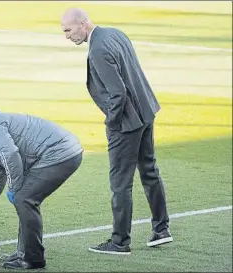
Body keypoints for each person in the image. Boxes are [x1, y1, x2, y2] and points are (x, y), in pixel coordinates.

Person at [60, 7, 173, 255]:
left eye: (68, 30)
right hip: (146, 111)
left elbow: (117, 92)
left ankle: (120, 241)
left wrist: (111, 122)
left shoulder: (98, 49)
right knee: (150, 171)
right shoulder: (115, 33)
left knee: (120, 183)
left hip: (126, 122)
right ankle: (161, 229)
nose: (67, 36)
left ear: (82, 24)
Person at [0, 106, 84, 270]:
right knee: (23, 198)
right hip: (56, 152)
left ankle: (33, 258)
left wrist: (14, 188)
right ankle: (24, 252)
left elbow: (10, 154)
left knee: (24, 199)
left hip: (60, 152)